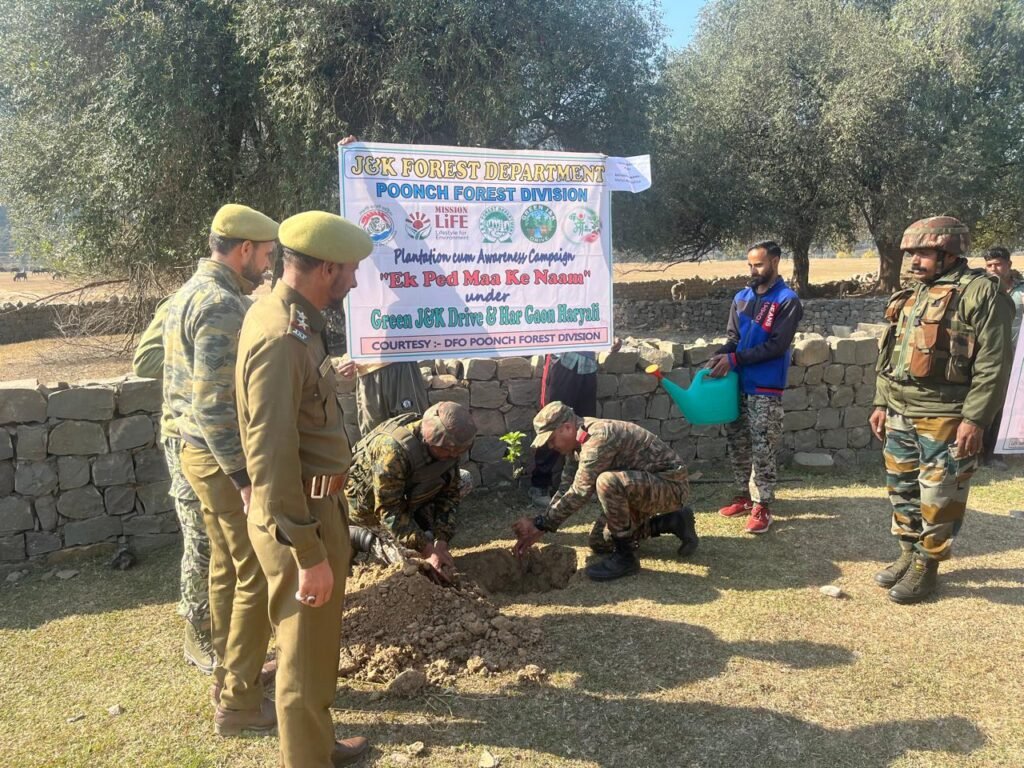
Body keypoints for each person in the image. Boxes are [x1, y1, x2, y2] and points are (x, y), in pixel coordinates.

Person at [236, 210, 372, 767]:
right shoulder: (281, 338)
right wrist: (308, 551)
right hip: (301, 516)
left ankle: (317, 742)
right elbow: (269, 454)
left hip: (317, 505)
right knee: (301, 654)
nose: (356, 281)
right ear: (328, 269)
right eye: (351, 270)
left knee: (315, 649)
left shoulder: (295, 322)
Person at [163, 204, 278, 735]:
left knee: (226, 567)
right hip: (218, 458)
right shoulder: (220, 305)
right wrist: (243, 478)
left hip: (198, 452)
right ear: (244, 249)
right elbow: (212, 406)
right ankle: (239, 702)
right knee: (254, 570)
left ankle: (231, 674)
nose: (269, 264)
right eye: (266, 254)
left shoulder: (189, 292)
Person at [870, 216, 1013, 605]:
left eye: (923, 253)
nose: (914, 261)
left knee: (939, 494)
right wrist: (881, 401)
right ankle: (908, 552)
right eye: (911, 253)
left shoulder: (981, 293)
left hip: (946, 415)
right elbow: (890, 353)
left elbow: (994, 365)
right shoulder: (914, 292)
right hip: (900, 410)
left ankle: (927, 564)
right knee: (902, 489)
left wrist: (975, 419)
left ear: (949, 253)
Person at [511, 401, 698, 581]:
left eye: (551, 440)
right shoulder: (577, 444)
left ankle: (626, 558)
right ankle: (673, 521)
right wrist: (542, 524)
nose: (551, 446)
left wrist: (541, 523)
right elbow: (566, 488)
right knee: (601, 541)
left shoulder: (597, 438)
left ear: (567, 427)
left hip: (670, 486)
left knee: (607, 482)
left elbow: (580, 491)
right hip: (642, 487)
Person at [133, 297, 214, 675]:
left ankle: (229, 621)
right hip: (186, 436)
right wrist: (209, 356)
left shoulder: (241, 300)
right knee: (200, 536)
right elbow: (145, 360)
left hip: (227, 435)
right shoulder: (184, 302)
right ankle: (198, 629)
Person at [707, 240, 803, 534]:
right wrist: (720, 355)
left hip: (766, 386)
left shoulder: (787, 300)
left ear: (775, 261)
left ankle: (763, 505)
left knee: (763, 446)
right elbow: (733, 339)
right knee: (737, 441)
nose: (753, 270)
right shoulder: (741, 298)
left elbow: (777, 346)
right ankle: (743, 496)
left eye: (758, 264)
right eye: (750, 264)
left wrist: (734, 359)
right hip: (736, 384)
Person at [344, 401, 477, 582]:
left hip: (409, 495)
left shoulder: (449, 447)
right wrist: (427, 550)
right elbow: (388, 510)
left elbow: (449, 494)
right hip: (371, 508)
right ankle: (356, 536)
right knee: (415, 564)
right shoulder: (393, 450)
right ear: (432, 439)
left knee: (465, 479)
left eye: (459, 451)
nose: (454, 455)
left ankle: (422, 526)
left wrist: (441, 541)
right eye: (449, 450)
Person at [981, 246, 1024, 468]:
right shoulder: (981, 288)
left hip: (1016, 357)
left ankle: (995, 454)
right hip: (987, 355)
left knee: (1007, 405)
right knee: (985, 402)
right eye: (989, 265)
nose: (993, 269)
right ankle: (978, 451)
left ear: (1009, 265)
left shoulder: (1021, 290)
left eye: (998, 264)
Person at [334, 358, 430, 436]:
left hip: (402, 364)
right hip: (367, 372)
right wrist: (349, 358)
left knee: (414, 428)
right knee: (373, 436)